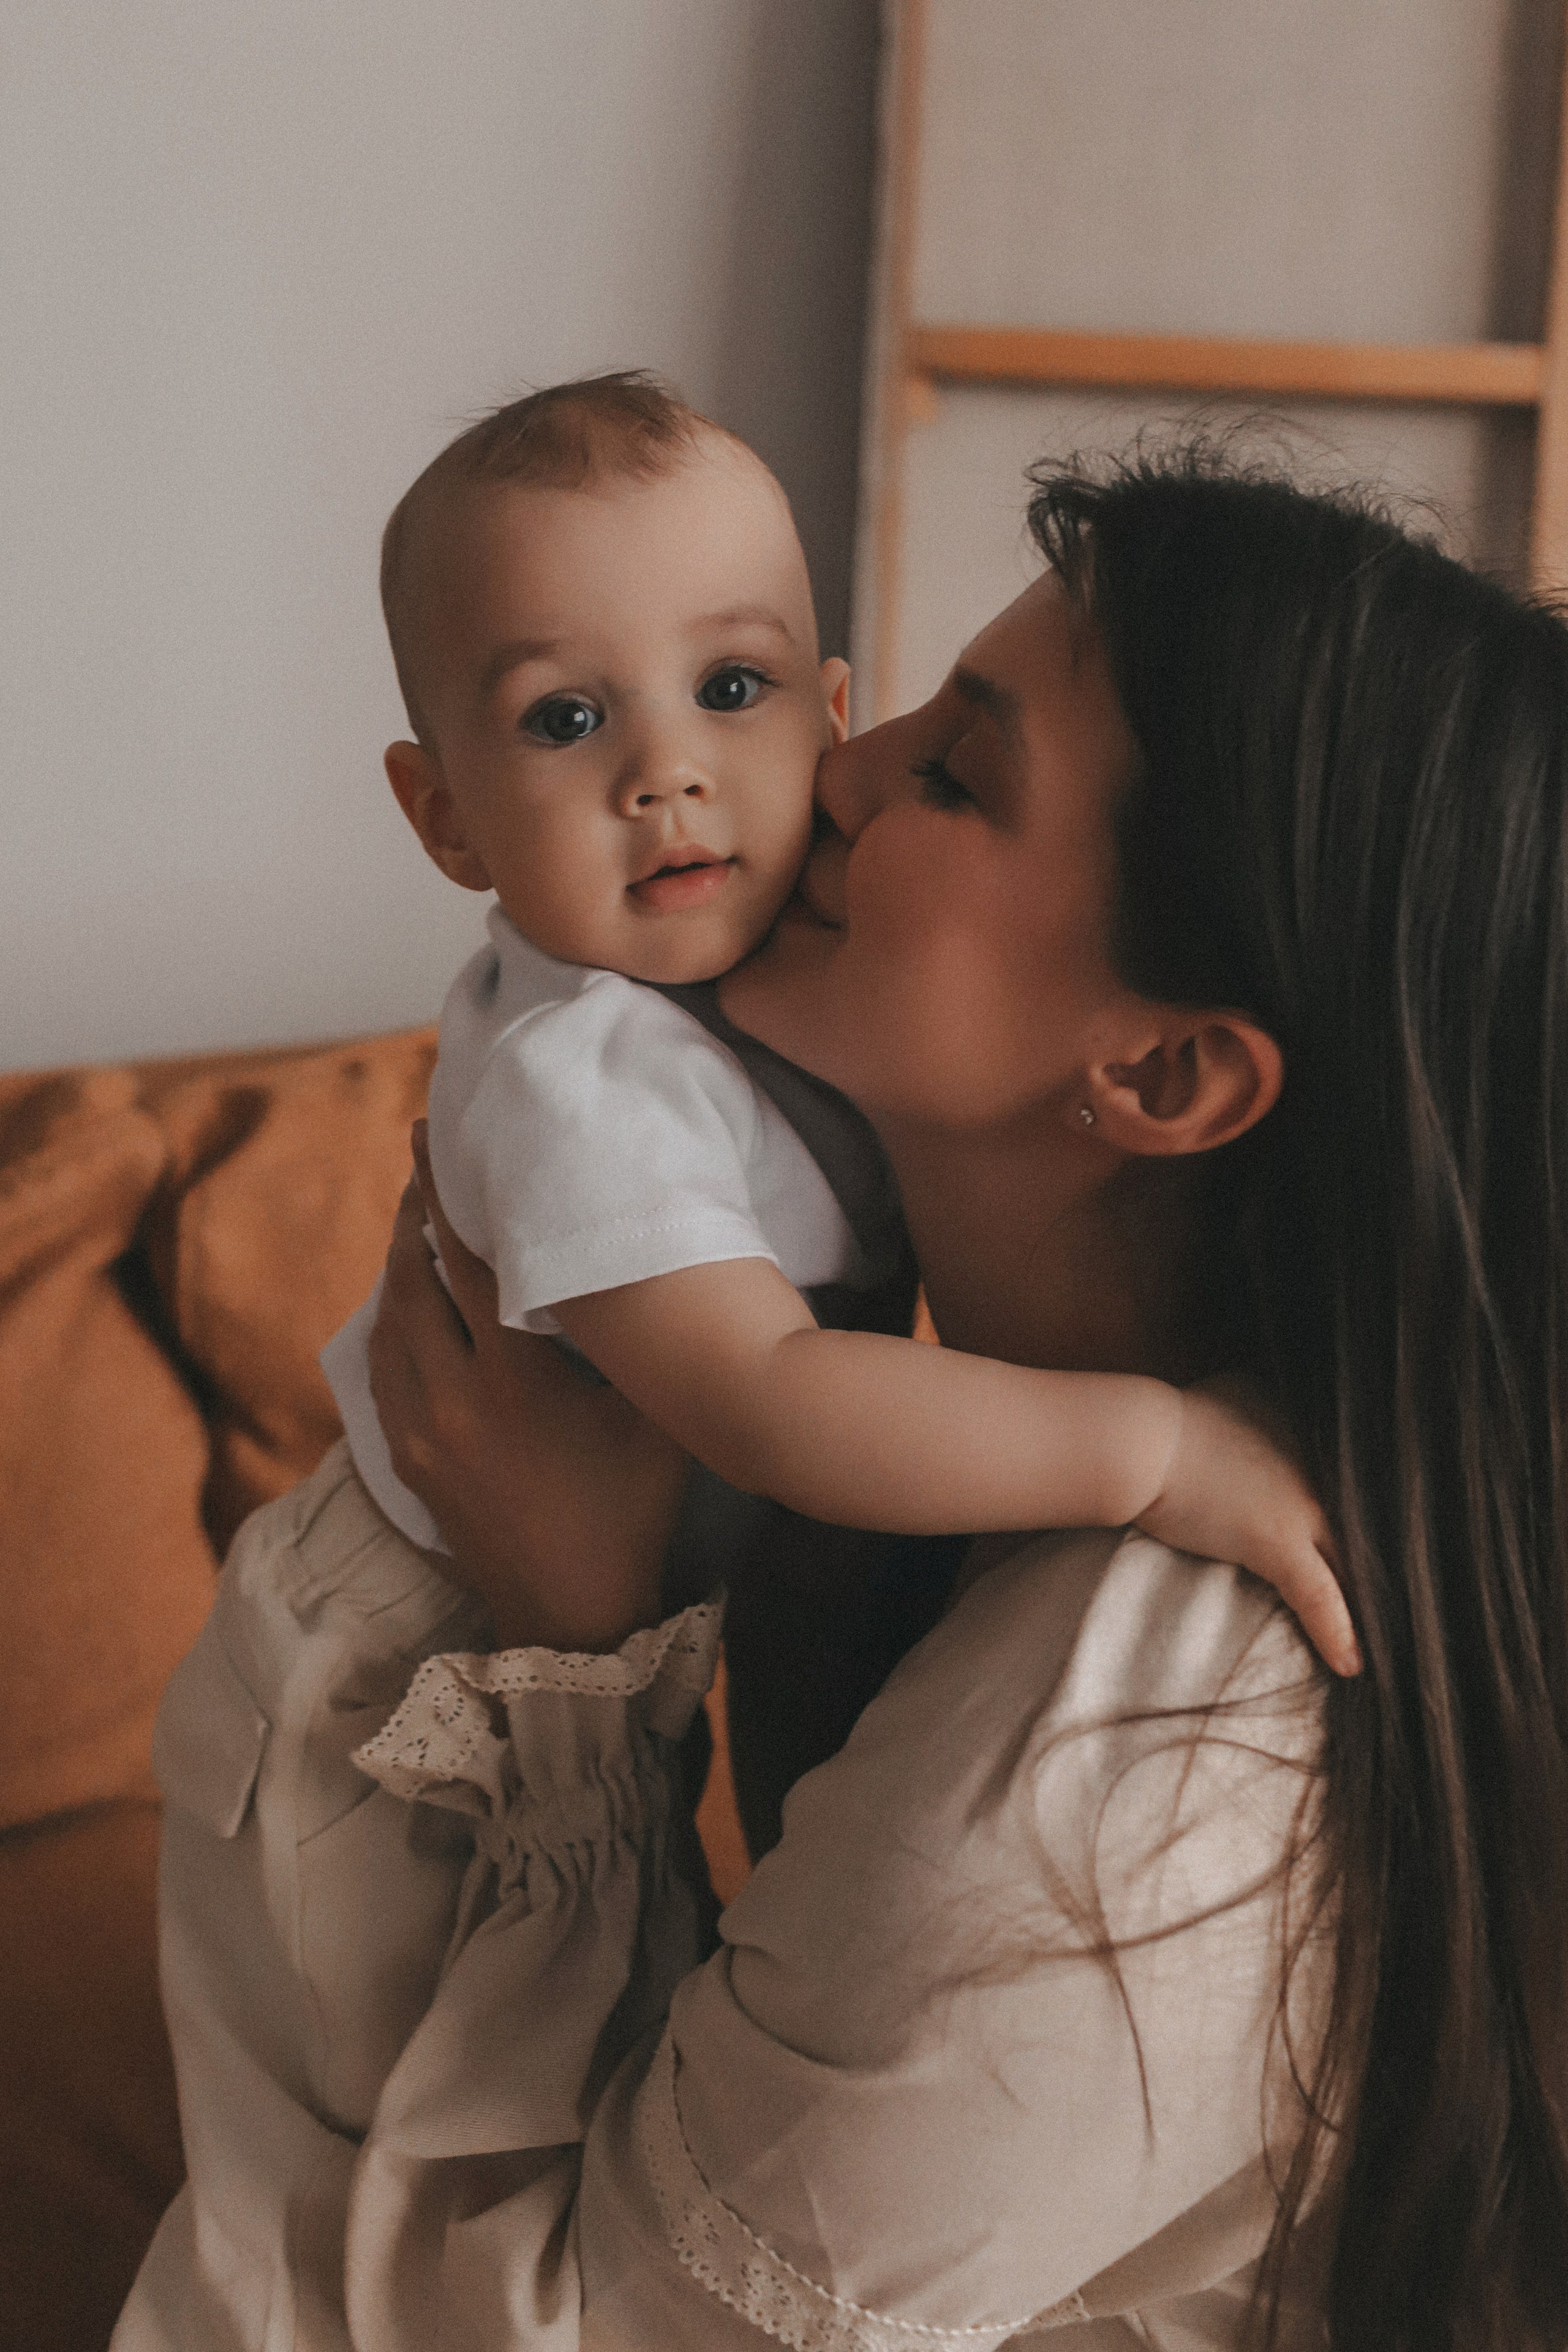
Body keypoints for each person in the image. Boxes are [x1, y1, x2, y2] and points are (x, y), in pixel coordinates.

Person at [113, 388, 1345, 2352]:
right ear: (441, 814)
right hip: (380, 1677)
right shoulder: (584, 1071)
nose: (724, 783)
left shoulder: (1125, 1771)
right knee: (293, 2204)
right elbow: (772, 1398)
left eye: (758, 693)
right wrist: (1152, 1452)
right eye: (568, 721)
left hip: (542, 1625)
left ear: (1169, 1074)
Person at [335, 450, 1567, 2350]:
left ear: (1160, 1074)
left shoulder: (1111, 1791)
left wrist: (582, 1658)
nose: (829, 767)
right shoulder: (956, 1399)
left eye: (954, 772)